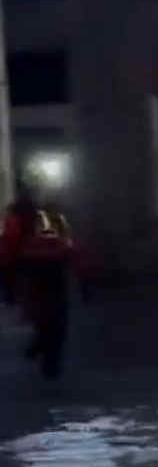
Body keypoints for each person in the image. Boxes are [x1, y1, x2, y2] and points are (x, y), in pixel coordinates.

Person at [1, 161, 83, 380]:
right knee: (45, 313)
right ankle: (45, 349)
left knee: (50, 314)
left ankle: (45, 349)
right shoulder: (33, 211)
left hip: (44, 266)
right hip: (37, 267)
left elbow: (69, 242)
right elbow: (11, 242)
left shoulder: (52, 211)